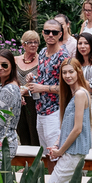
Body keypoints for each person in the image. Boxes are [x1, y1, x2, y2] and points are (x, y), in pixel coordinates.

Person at [46, 59, 92, 183]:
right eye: (64, 72)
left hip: (73, 153)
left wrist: (61, 151)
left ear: (78, 72)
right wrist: (56, 144)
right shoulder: (74, 94)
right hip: (73, 152)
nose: (67, 75)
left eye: (71, 71)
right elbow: (67, 126)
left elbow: (77, 129)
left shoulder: (80, 94)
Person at [33, 20, 70, 151]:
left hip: (55, 111)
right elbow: (45, 78)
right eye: (47, 32)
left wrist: (41, 88)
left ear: (60, 34)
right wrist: (33, 79)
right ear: (42, 33)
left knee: (53, 152)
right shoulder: (42, 52)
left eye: (54, 32)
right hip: (40, 109)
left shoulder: (63, 57)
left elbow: (68, 87)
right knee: (44, 153)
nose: (50, 35)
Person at [0, 53, 24, 160]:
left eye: (4, 65)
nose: (0, 68)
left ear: (12, 66)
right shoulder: (4, 86)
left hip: (1, 145)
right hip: (1, 142)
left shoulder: (8, 90)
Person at [15, 30, 42, 147]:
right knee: (21, 132)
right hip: (18, 100)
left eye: (36, 42)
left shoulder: (41, 60)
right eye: (30, 42)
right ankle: (26, 163)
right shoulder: (15, 59)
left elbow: (42, 79)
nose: (33, 45)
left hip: (34, 101)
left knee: (35, 133)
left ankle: (37, 162)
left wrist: (27, 89)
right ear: (23, 44)